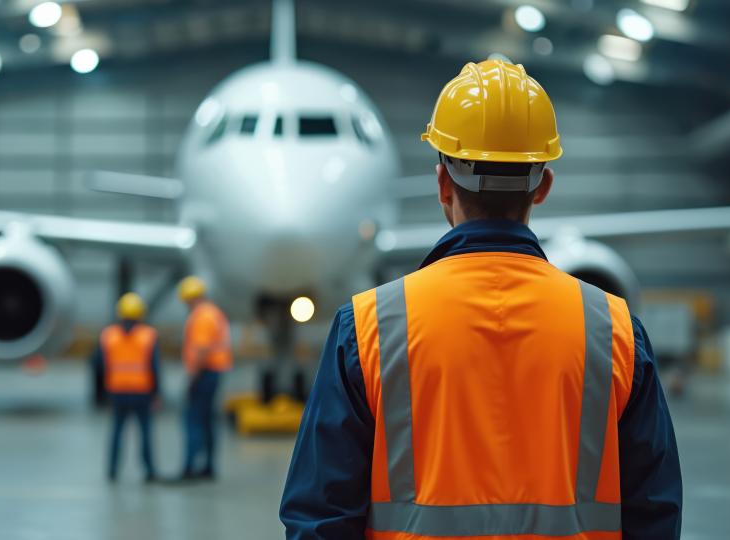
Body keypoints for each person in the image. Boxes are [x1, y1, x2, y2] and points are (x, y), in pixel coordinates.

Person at [280, 60, 682, 539]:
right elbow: (653, 513)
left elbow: (319, 517)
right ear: (544, 187)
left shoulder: (368, 328)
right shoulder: (615, 331)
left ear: (442, 185)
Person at [91, 293, 162, 483]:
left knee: (117, 432)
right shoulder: (148, 336)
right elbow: (154, 367)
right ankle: (149, 470)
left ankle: (112, 470)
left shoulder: (108, 335)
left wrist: (99, 395)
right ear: (140, 314)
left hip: (118, 391)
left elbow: (98, 364)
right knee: (145, 433)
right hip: (142, 391)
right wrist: (157, 393)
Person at [177, 276, 232, 481]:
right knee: (208, 420)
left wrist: (192, 376)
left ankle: (190, 466)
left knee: (193, 419)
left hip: (205, 372)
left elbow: (201, 349)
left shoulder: (201, 316)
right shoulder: (213, 313)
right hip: (215, 372)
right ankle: (208, 465)